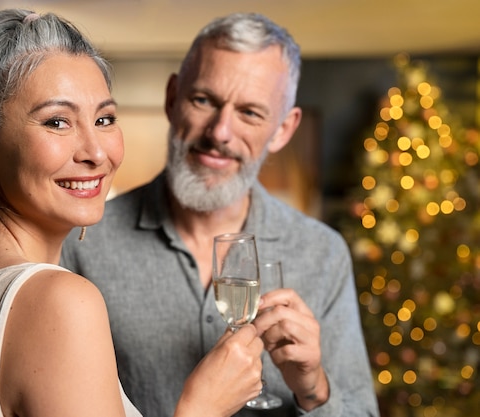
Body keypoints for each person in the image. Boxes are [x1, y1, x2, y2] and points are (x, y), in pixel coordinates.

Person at [0, 9, 266, 417]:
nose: (96, 152)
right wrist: (202, 407)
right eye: (57, 122)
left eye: (104, 118)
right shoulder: (60, 303)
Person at [62, 12, 380, 417]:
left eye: (250, 112)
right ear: (172, 98)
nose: (220, 132)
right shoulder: (82, 242)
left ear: (284, 129)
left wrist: (313, 387)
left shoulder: (323, 253)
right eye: (203, 100)